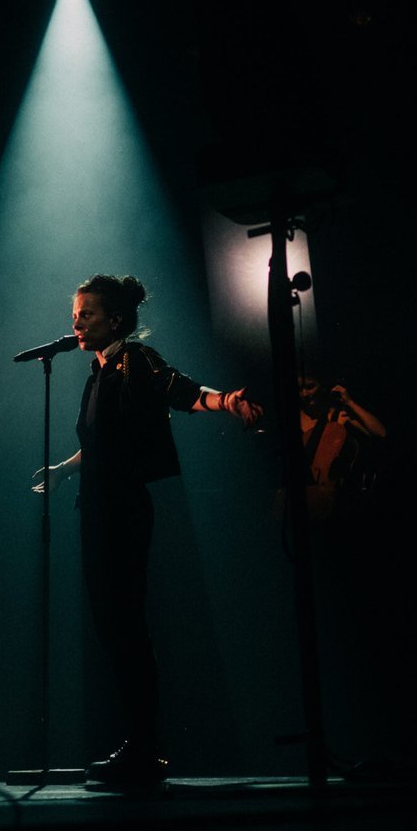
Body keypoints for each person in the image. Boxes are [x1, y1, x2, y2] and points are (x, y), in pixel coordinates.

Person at [32, 274, 262, 787]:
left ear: (115, 320)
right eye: (74, 314)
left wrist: (225, 401)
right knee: (114, 629)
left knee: (126, 626)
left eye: (86, 314)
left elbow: (177, 389)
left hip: (122, 510)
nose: (76, 322)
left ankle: (145, 747)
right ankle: (137, 743)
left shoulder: (136, 358)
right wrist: (65, 469)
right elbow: (105, 441)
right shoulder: (100, 373)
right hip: (97, 507)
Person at [291, 374, 387, 520]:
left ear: (322, 387)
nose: (304, 394)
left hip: (337, 497)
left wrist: (350, 403)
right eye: (299, 389)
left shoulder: (337, 414)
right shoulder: (292, 420)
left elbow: (380, 433)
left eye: (310, 387)